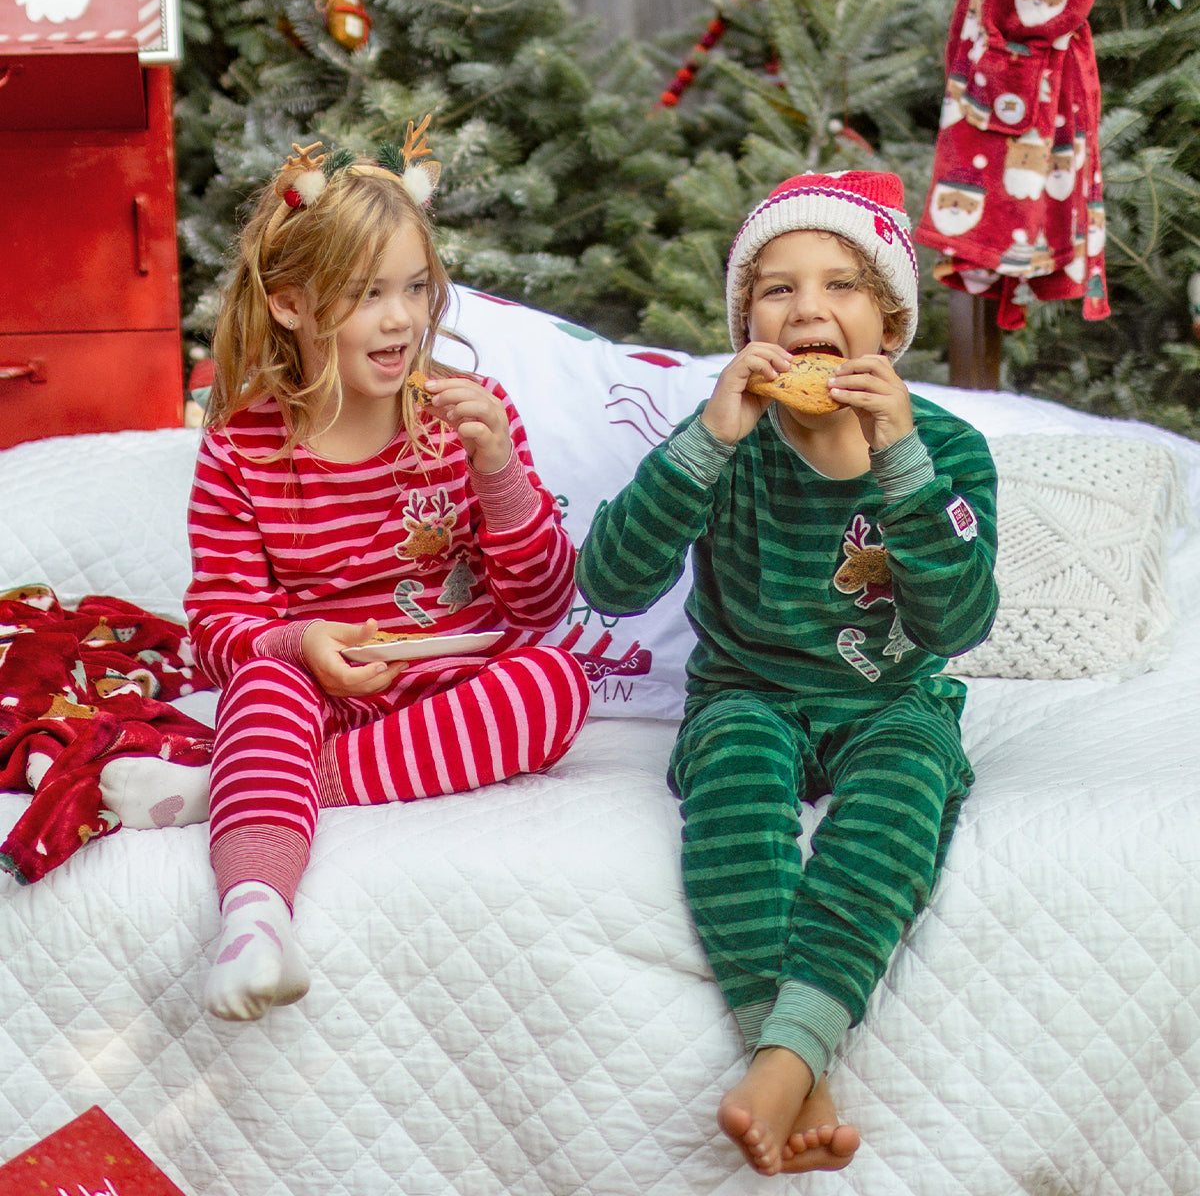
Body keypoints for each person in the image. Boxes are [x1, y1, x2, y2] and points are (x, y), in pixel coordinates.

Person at [575, 171, 999, 1176]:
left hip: (890, 698)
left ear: (890, 328)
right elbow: (610, 583)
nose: (809, 307)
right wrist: (704, 445)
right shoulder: (727, 440)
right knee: (731, 785)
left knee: (901, 796)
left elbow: (963, 619)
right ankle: (791, 1052)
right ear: (744, 325)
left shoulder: (943, 447)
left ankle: (786, 1052)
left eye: (843, 286)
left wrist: (902, 467)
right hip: (747, 695)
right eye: (777, 288)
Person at [185, 126, 589, 1022]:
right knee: (259, 687)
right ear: (290, 305)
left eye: (414, 289)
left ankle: (268, 782)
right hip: (321, 684)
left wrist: (499, 474)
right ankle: (255, 917)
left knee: (557, 685)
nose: (402, 320)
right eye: (368, 295)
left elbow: (542, 603)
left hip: (453, 677)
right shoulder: (241, 447)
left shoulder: (467, 424)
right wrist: (300, 641)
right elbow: (217, 629)